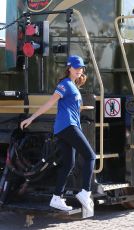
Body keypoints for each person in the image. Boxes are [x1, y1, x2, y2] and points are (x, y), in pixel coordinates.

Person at [20, 55, 96, 212]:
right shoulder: (65, 84)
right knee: (90, 156)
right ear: (69, 68)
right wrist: (32, 118)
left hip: (67, 127)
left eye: (81, 68)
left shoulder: (74, 86)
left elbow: (70, 106)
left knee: (69, 163)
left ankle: (56, 198)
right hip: (67, 126)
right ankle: (85, 192)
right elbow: (50, 103)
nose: (79, 70)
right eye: (76, 68)